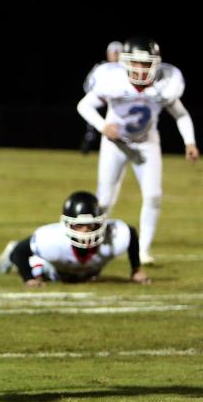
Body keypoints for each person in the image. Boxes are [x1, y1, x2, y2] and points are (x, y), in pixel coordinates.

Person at [76, 36, 197, 265]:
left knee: (153, 197)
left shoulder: (165, 83)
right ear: (124, 62)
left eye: (146, 63)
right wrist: (103, 126)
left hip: (146, 142)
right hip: (115, 144)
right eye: (136, 63)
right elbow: (84, 105)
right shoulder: (111, 79)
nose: (141, 69)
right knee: (105, 198)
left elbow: (180, 114)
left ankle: (142, 251)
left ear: (156, 63)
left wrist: (189, 142)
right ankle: (95, 245)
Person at [0, 191, 151, 286]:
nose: (85, 231)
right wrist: (28, 278)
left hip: (85, 271)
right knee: (38, 268)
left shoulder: (115, 235)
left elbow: (130, 233)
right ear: (67, 224)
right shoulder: (51, 240)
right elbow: (20, 251)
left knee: (84, 277)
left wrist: (136, 270)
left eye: (90, 225)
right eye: (79, 225)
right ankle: (11, 256)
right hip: (55, 269)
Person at [80, 41, 123, 154]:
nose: (115, 55)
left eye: (118, 52)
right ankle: (90, 137)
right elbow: (89, 84)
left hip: (121, 100)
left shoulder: (127, 67)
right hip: (102, 97)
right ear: (108, 53)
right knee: (86, 107)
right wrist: (96, 94)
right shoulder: (101, 67)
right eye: (113, 52)